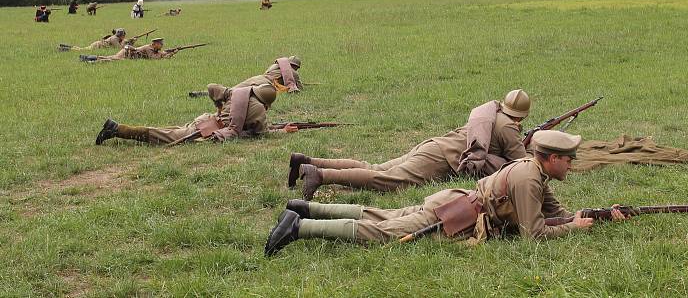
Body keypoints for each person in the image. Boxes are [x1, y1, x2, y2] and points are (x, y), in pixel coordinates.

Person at [265, 130, 627, 255]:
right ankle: (298, 227)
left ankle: (305, 208)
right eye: (569, 159)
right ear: (550, 159)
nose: (572, 165)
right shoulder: (529, 179)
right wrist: (572, 229)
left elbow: (555, 213)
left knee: (384, 216)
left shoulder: (534, 174)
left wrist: (594, 216)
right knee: (383, 232)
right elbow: (535, 234)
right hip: (455, 216)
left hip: (453, 203)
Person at [290, 89, 531, 200]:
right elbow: (522, 164)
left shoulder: (492, 114)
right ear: (522, 114)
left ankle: (306, 161)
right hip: (440, 159)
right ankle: (320, 175)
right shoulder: (509, 126)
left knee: (375, 167)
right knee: (388, 181)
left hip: (436, 146)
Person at [95, 83, 277, 145]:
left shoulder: (238, 92)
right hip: (209, 132)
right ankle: (117, 129)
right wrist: (284, 130)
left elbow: (212, 88)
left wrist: (219, 108)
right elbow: (262, 134)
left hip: (206, 121)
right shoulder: (259, 109)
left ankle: (118, 129)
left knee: (169, 131)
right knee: (165, 136)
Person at [79, 37, 175, 62]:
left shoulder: (153, 49)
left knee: (110, 57)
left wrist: (165, 53)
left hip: (128, 52)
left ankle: (88, 58)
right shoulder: (148, 48)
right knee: (111, 60)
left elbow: (158, 54)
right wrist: (166, 56)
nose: (162, 45)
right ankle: (90, 61)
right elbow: (153, 58)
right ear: (155, 44)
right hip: (127, 53)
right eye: (160, 44)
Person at [60, 28, 128, 51]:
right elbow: (119, 49)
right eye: (124, 35)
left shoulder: (115, 38)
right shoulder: (115, 39)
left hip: (97, 44)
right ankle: (66, 49)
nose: (124, 36)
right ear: (121, 35)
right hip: (97, 46)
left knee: (82, 49)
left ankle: (66, 47)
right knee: (81, 50)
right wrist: (124, 42)